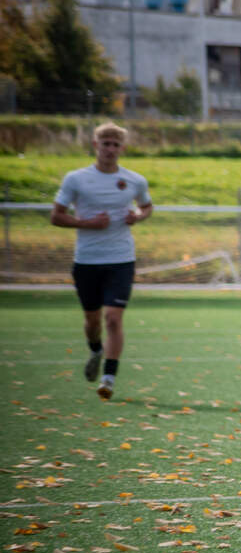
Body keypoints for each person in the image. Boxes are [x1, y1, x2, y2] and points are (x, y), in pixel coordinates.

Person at [50, 122, 153, 401]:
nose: (110, 149)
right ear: (96, 145)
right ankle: (96, 349)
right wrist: (87, 223)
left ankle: (108, 378)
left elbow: (147, 206)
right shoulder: (76, 179)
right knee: (93, 321)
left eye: (115, 145)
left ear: (122, 148)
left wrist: (137, 217)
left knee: (113, 319)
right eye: (105, 143)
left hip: (121, 259)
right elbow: (56, 216)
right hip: (87, 261)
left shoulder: (135, 180)